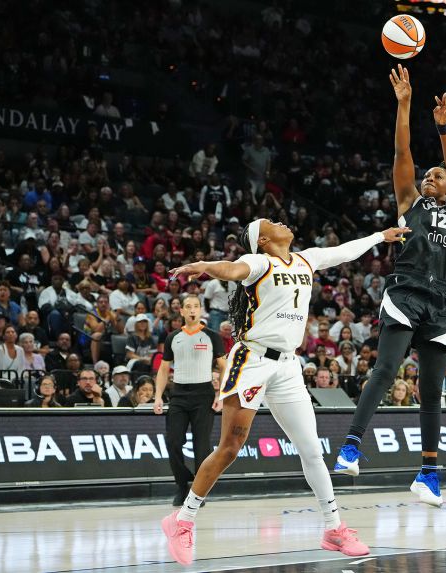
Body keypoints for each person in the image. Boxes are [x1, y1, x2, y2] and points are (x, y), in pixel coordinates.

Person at [160, 218, 407, 564]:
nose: (281, 222)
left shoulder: (306, 258)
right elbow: (232, 268)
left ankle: (333, 528)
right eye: (271, 223)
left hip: (288, 365)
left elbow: (343, 252)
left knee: (311, 449)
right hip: (252, 360)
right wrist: (203, 267)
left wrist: (380, 236)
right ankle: (182, 520)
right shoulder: (261, 262)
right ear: (262, 239)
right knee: (230, 448)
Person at [335, 64, 446, 509]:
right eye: (428, 174)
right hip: (406, 292)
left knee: (432, 392)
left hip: (442, 304)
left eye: (437, 175)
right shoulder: (409, 202)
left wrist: (445, 129)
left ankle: (428, 472)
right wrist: (405, 104)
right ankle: (352, 446)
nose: (432, 177)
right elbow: (401, 154)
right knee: (386, 371)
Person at [154, 295, 226, 507]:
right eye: (188, 307)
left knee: (201, 446)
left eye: (196, 306)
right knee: (173, 442)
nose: (192, 310)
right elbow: (164, 368)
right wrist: (158, 396)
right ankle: (182, 484)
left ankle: (198, 491)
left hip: (203, 394)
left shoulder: (212, 336)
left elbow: (224, 367)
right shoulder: (173, 337)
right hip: (178, 394)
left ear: (200, 310)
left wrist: (220, 394)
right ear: (182, 312)